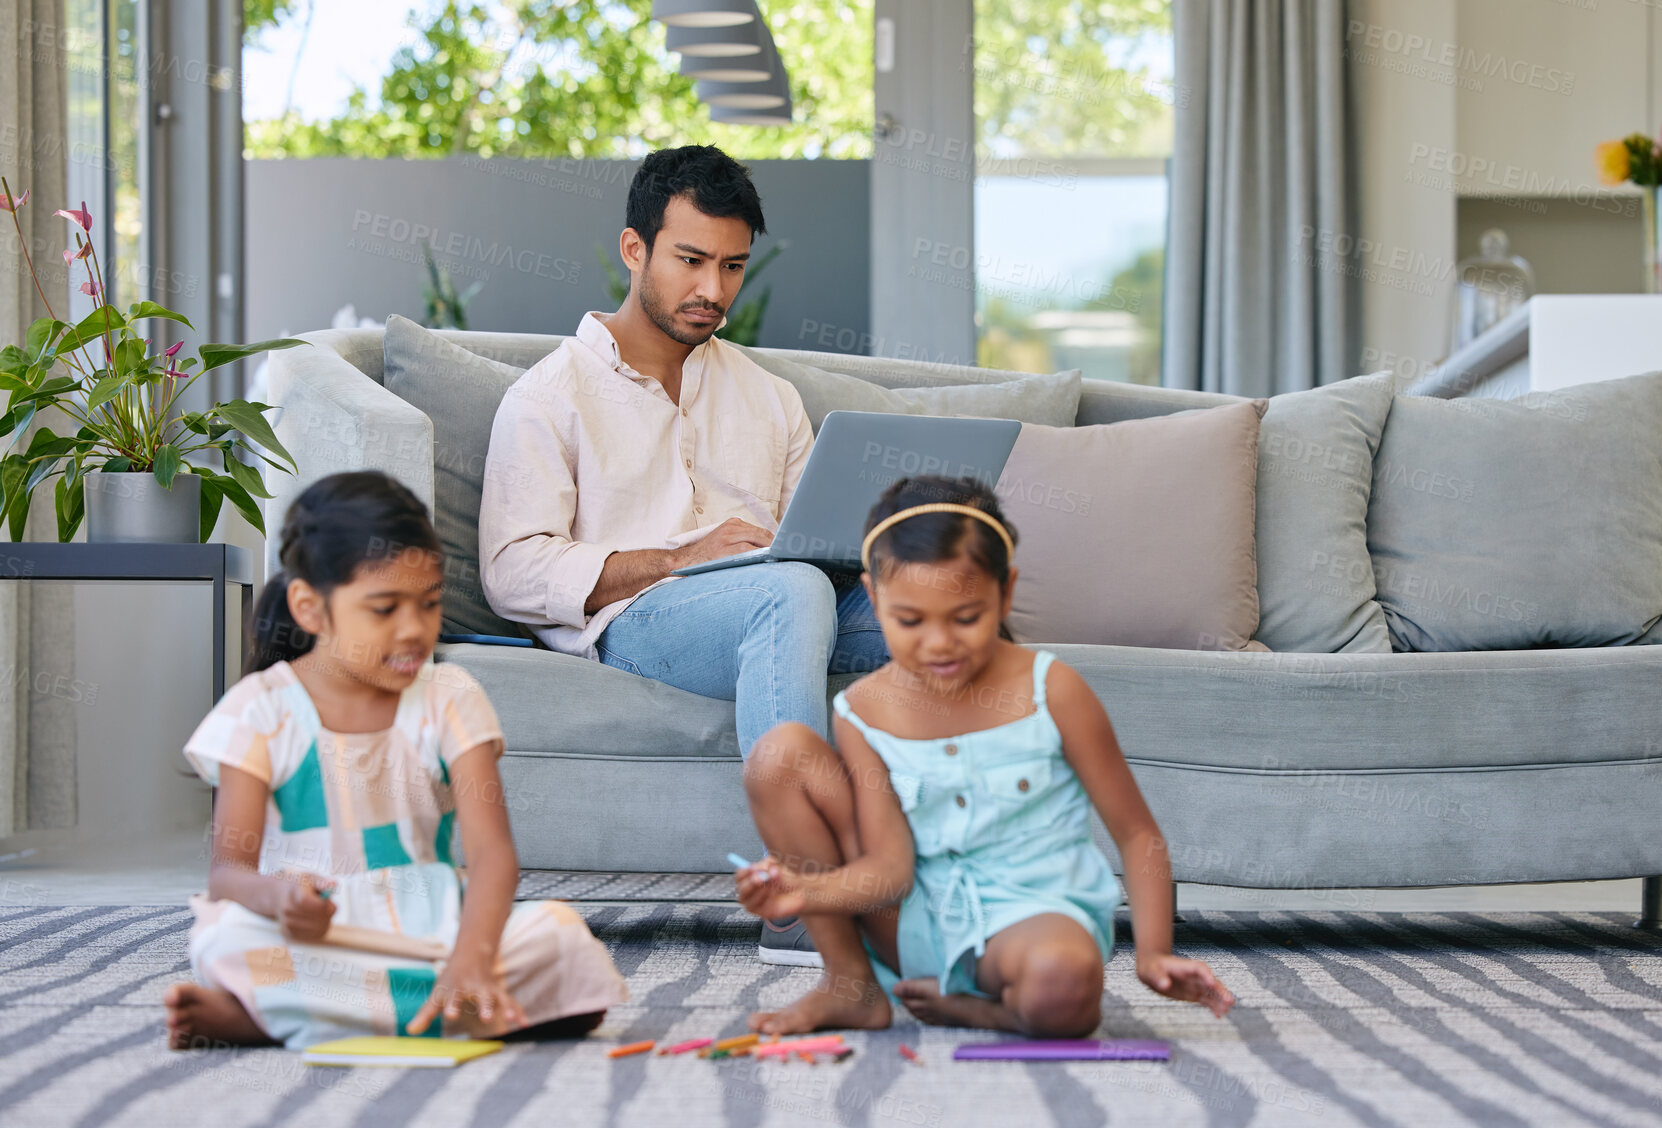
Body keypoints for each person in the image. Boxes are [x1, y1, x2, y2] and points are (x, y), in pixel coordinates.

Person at [479, 144, 888, 964]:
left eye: (732, 266)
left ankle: (971, 879)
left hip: (778, 599)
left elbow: (819, 537)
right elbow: (511, 571)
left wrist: (884, 557)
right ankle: (799, 893)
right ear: (636, 250)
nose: (712, 290)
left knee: (936, 605)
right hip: (640, 619)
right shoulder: (547, 397)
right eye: (690, 260)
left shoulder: (770, 397)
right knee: (792, 594)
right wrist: (679, 558)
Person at [732, 476, 1237, 1035]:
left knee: (1063, 987)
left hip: (1033, 923)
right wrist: (805, 890)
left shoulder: (1053, 689)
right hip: (912, 925)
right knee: (779, 753)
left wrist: (1152, 953)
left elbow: (1138, 834)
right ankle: (850, 988)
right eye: (910, 620)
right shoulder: (862, 709)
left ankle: (986, 1009)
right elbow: (890, 871)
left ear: (1005, 591)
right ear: (874, 600)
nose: (939, 643)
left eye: (965, 618)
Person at [164, 471, 628, 1050]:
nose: (414, 630)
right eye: (384, 609)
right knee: (229, 940)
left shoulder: (451, 696)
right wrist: (278, 899)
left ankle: (267, 1019)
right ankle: (439, 1013)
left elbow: (492, 858)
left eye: (429, 604)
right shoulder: (260, 709)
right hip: (318, 939)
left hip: (434, 929)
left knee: (561, 941)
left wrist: (472, 957)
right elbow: (228, 874)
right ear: (310, 608)